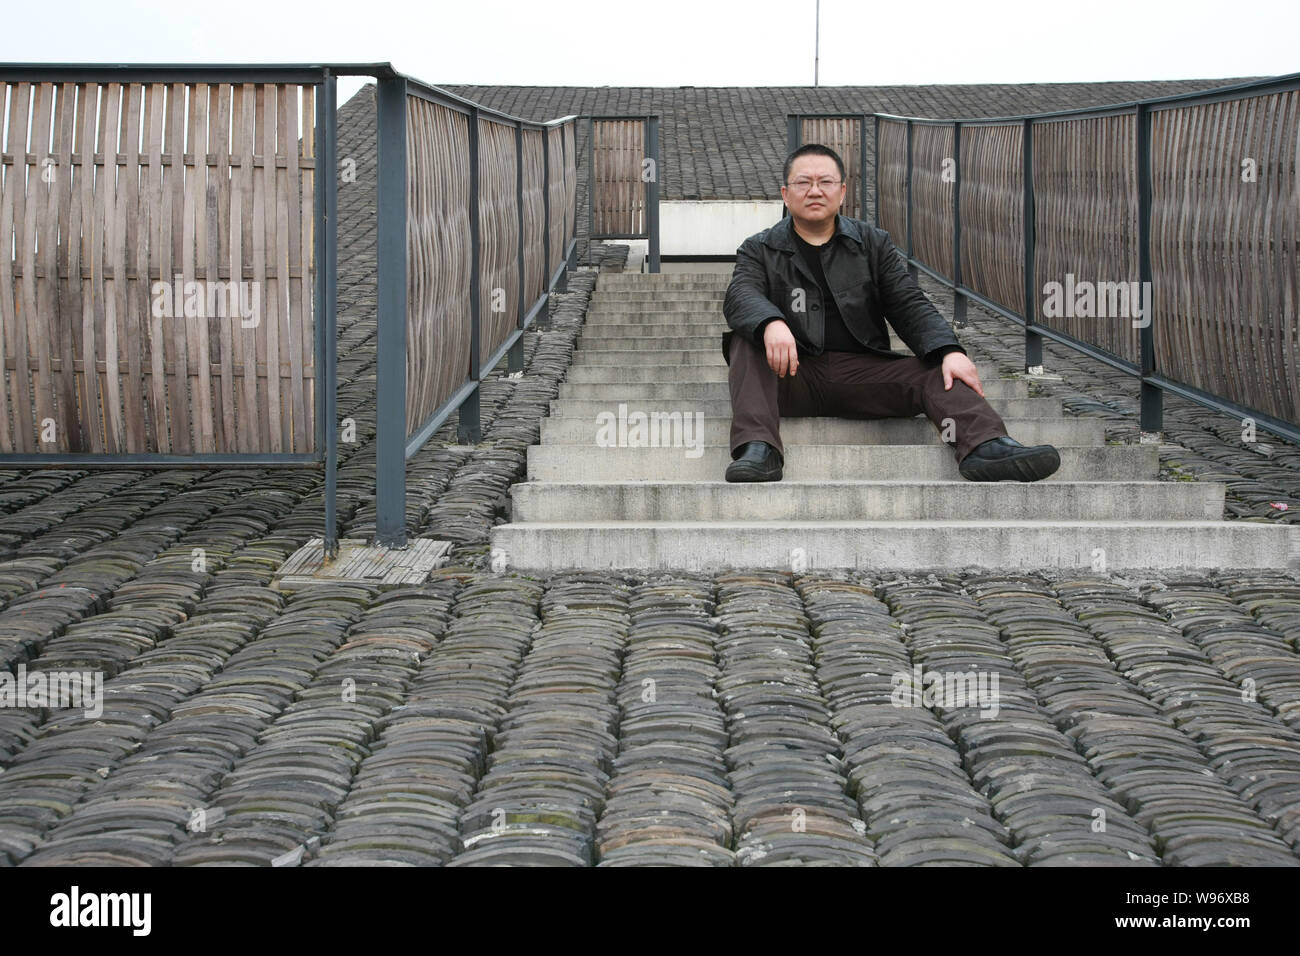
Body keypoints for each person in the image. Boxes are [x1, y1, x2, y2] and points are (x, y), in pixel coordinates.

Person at [721, 142, 1061, 483]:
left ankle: (985, 446)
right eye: (802, 182)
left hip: (863, 377)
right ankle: (758, 449)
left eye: (825, 182)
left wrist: (949, 350)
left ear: (841, 192)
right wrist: (771, 322)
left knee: (935, 370)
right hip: (790, 377)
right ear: (785, 192)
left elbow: (908, 302)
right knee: (745, 338)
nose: (814, 191)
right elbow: (740, 294)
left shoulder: (872, 243)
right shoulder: (759, 248)